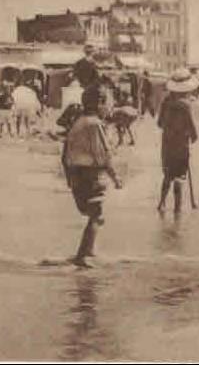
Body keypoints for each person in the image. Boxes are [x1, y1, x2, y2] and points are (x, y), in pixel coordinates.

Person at [61, 86, 123, 268]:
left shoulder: (78, 122)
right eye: (107, 104)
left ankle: (86, 252)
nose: (108, 108)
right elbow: (102, 155)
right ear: (99, 104)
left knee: (94, 214)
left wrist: (68, 178)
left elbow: (65, 154)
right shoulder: (94, 124)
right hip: (90, 174)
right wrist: (115, 177)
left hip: (76, 173)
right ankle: (84, 255)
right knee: (97, 214)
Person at [157, 68, 199, 213]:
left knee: (167, 175)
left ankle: (161, 203)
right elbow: (193, 131)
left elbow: (159, 124)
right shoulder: (186, 105)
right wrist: (192, 136)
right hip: (181, 145)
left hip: (167, 144)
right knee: (180, 177)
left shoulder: (166, 102)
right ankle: (177, 208)